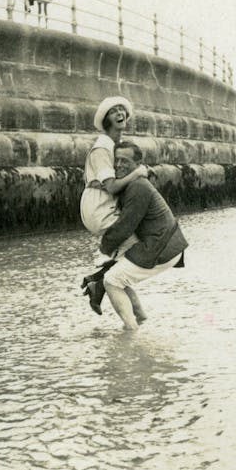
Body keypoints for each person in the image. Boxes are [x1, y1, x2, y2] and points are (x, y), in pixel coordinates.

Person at [100, 141, 188, 331]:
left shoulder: (138, 187)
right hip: (166, 243)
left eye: (125, 161)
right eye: (117, 160)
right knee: (119, 279)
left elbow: (125, 226)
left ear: (138, 164)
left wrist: (103, 248)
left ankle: (131, 334)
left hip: (162, 245)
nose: (119, 165)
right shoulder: (134, 184)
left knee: (111, 280)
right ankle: (141, 319)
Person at [80, 96, 148, 315]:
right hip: (98, 206)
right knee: (134, 249)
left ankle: (138, 317)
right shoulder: (102, 147)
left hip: (103, 204)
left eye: (122, 110)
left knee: (122, 266)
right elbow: (110, 186)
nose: (119, 113)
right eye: (113, 111)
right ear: (106, 119)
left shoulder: (115, 145)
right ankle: (98, 282)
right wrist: (138, 173)